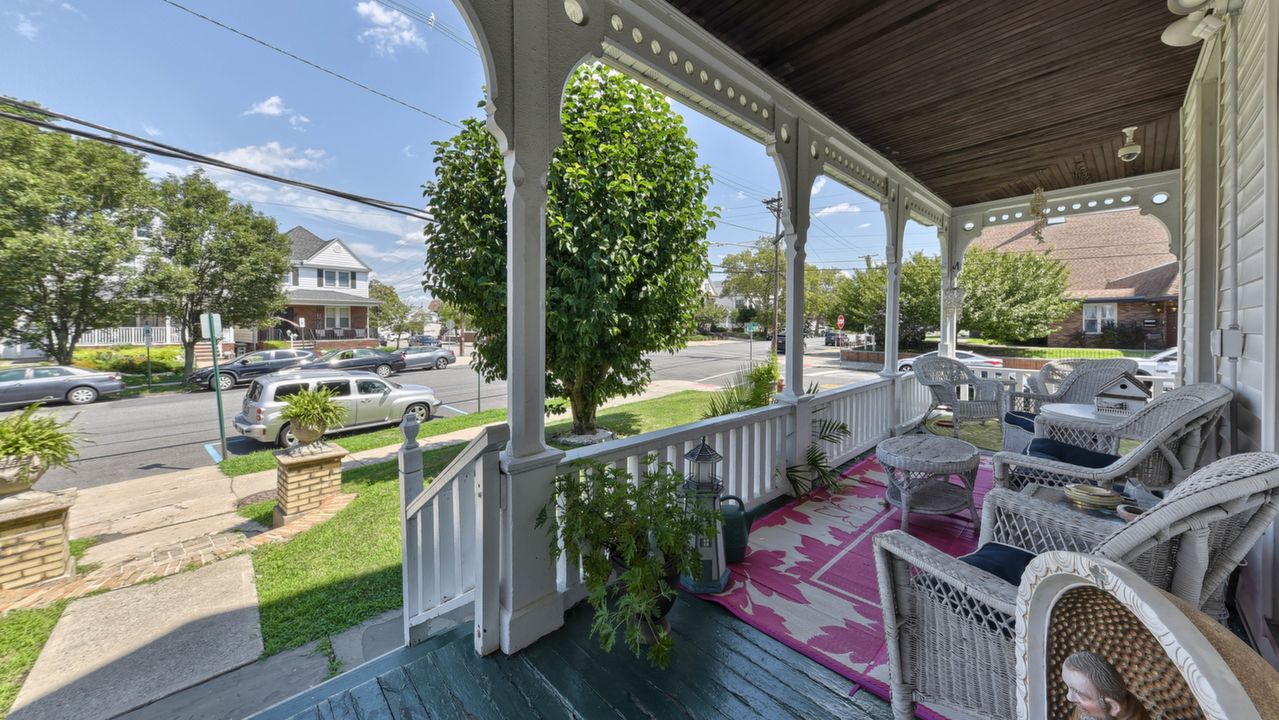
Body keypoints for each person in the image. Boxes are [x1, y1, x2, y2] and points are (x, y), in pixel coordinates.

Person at [1061, 651, 1150, 720]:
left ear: (1112, 706)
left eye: (1080, 695)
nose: (1069, 697)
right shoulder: (1086, 711)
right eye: (1069, 688)